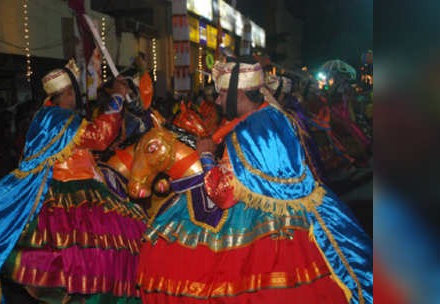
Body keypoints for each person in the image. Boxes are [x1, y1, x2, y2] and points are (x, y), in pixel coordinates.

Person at [137, 56, 372, 303]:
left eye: (221, 94)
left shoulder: (249, 130)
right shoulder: (272, 116)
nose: (216, 101)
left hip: (272, 230)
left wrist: (206, 156)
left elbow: (224, 193)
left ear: (238, 93)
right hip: (305, 212)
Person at [0, 59, 146, 304]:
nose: (77, 97)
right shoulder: (59, 117)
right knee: (114, 237)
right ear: (68, 93)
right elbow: (100, 137)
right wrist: (116, 98)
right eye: (75, 92)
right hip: (74, 187)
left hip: (73, 181)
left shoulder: (45, 115)